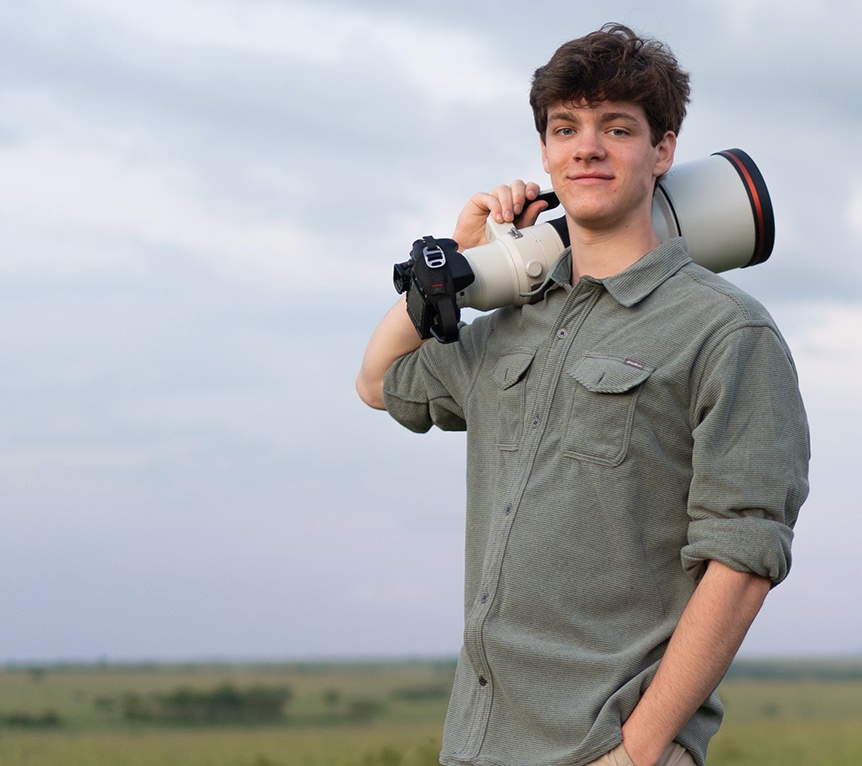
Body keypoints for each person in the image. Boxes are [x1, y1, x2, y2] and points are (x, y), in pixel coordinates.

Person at [354, 23, 809, 766]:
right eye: (565, 128)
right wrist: (464, 264)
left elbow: (744, 557)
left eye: (616, 127)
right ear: (545, 154)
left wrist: (637, 751)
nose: (586, 147)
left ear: (662, 151)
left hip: (604, 748)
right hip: (476, 744)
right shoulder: (512, 323)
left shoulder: (729, 333)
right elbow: (379, 382)